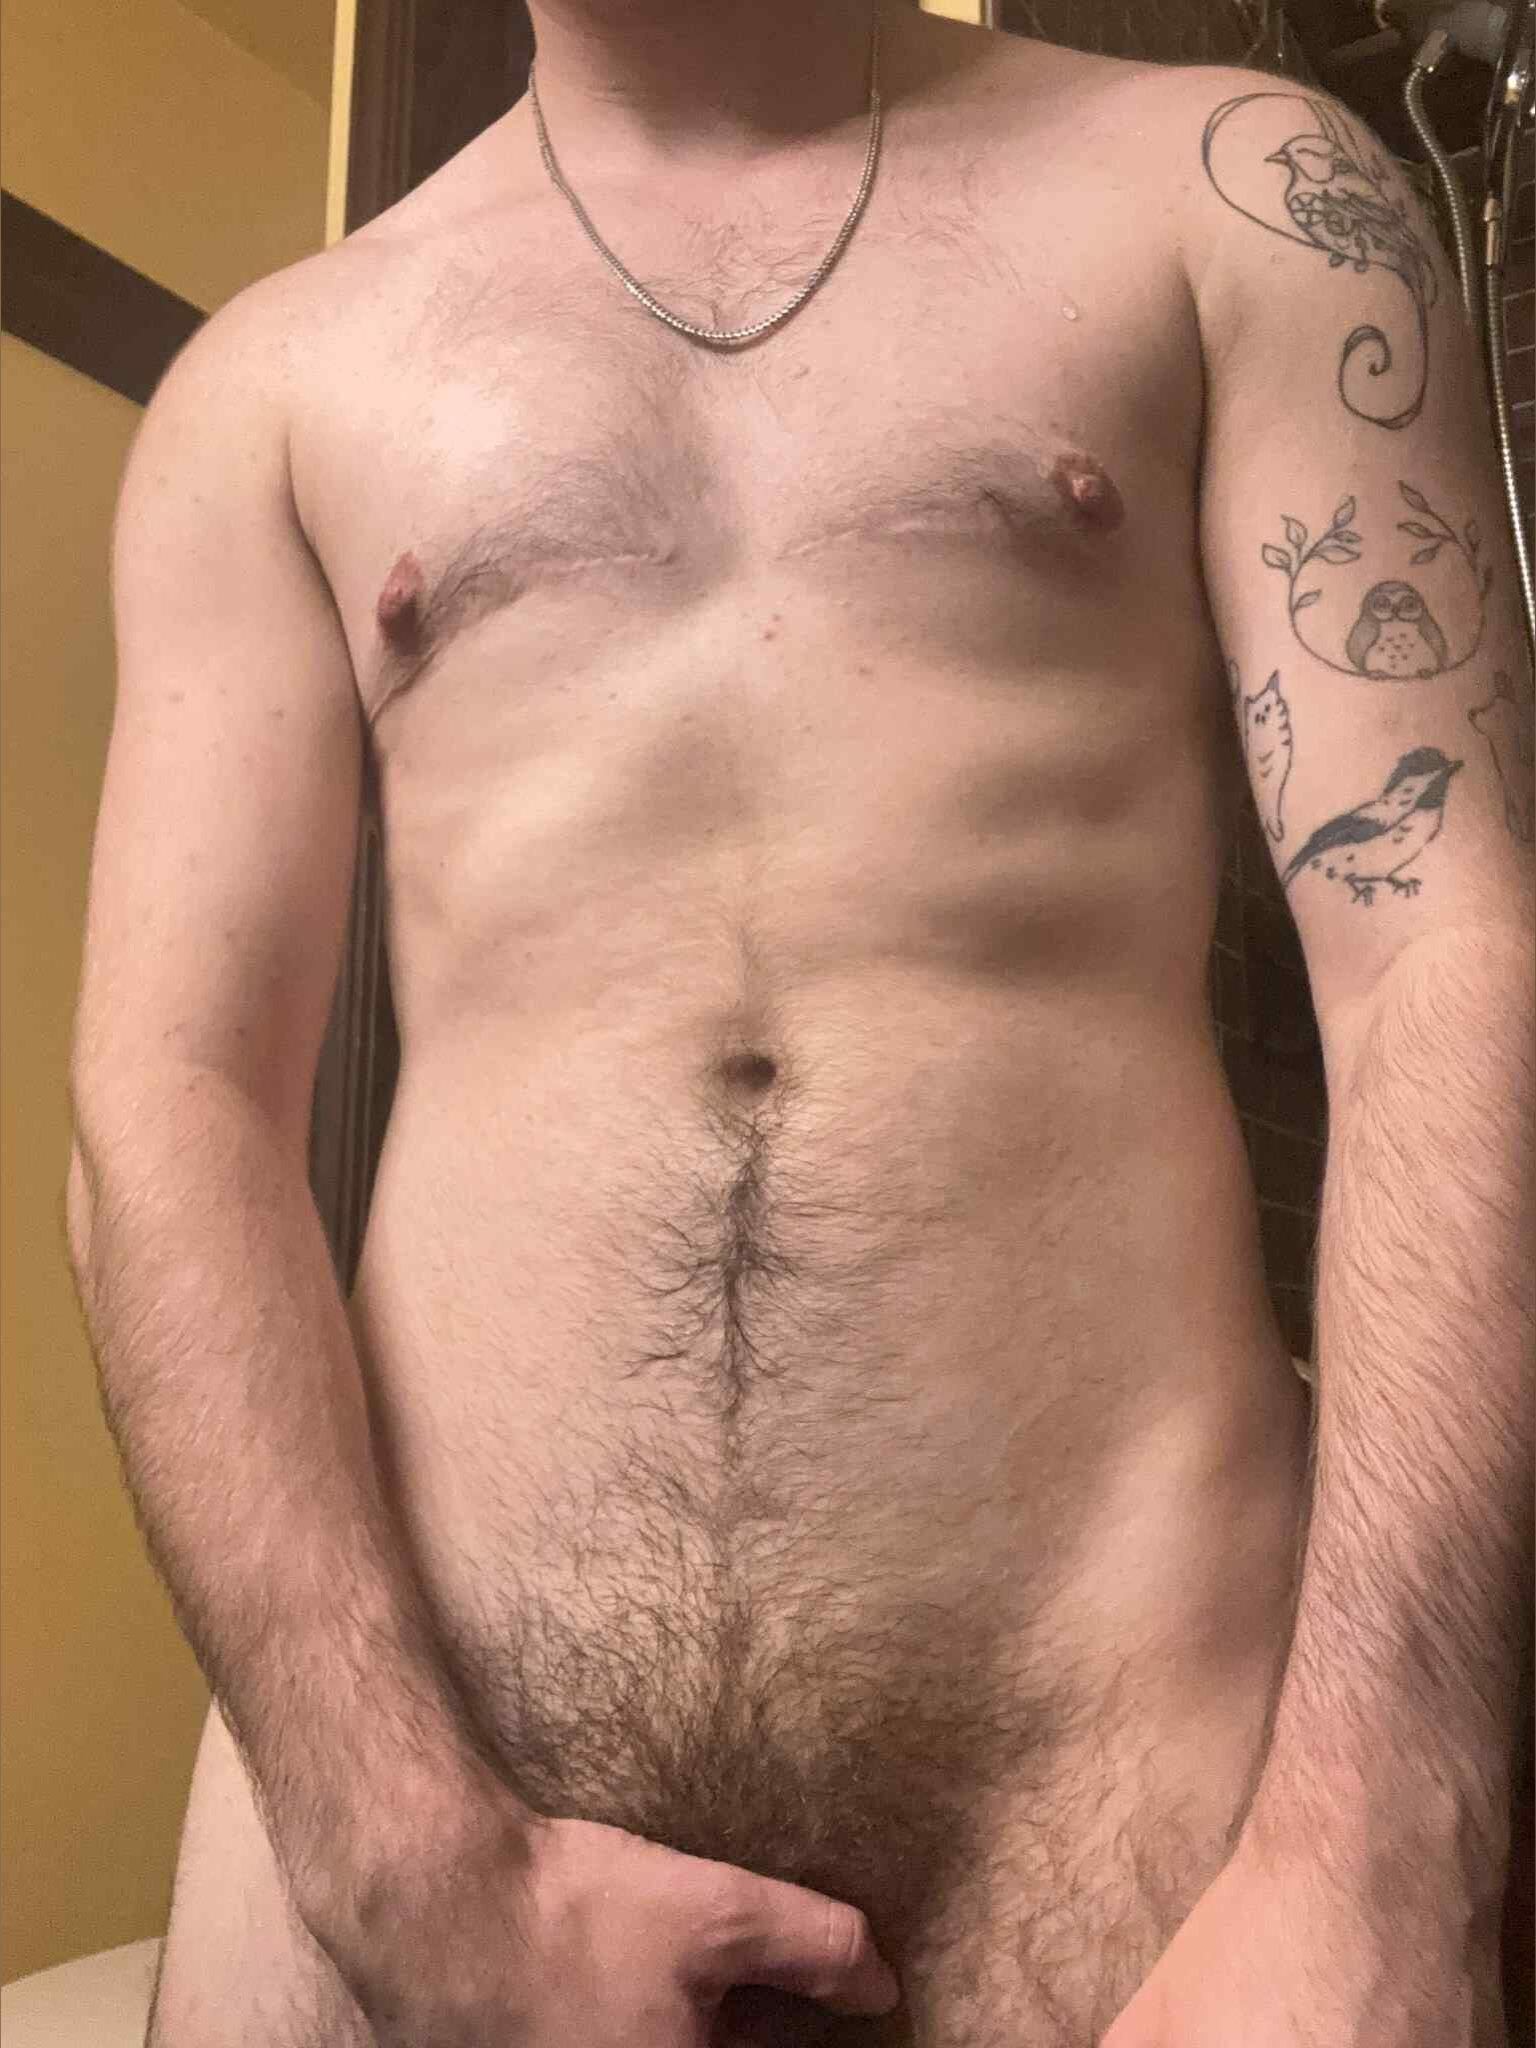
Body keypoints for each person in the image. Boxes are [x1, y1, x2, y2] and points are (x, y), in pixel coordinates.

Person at [65, 2, 1532, 2042]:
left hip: (1127, 1791)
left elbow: (1444, 953)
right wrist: (401, 1855)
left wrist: (1386, 1842)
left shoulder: (1234, 196)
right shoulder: (272, 384)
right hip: (420, 1800)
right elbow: (172, 1099)